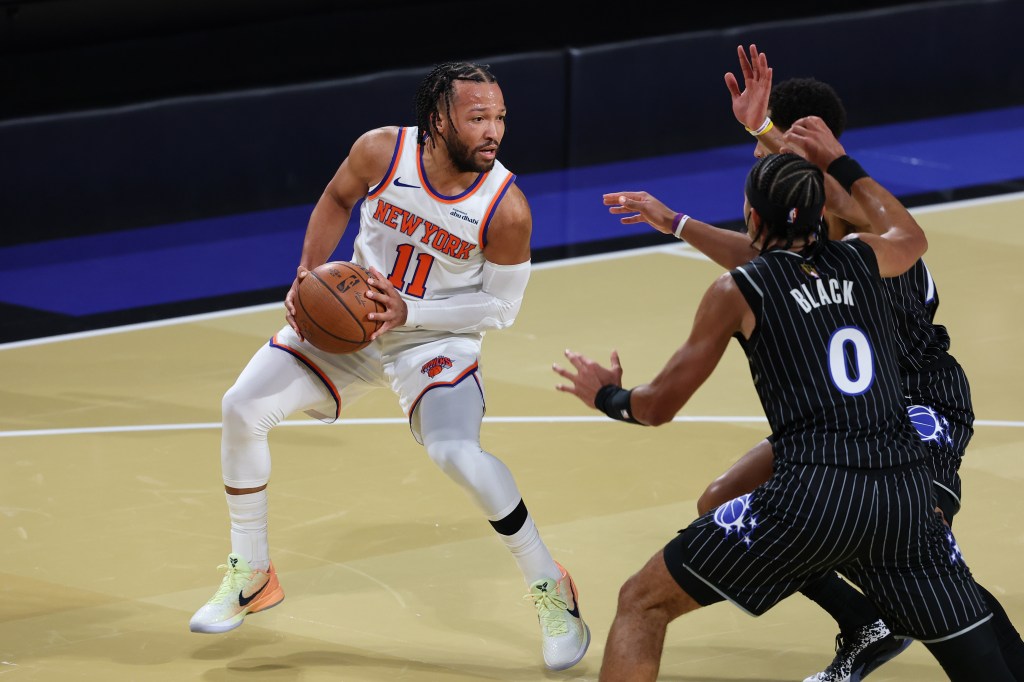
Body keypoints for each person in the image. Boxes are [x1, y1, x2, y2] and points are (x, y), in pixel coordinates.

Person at [555, 117, 1015, 681]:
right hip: (902, 496)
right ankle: (869, 623)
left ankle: (866, 619)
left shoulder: (739, 288)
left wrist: (607, 394)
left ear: (751, 216)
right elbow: (911, 237)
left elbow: (657, 407)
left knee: (641, 603)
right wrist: (842, 161)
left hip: (813, 494)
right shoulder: (865, 259)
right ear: (822, 215)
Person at [187, 61, 590, 672]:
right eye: (478, 117)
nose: (494, 131)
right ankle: (253, 574)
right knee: (241, 406)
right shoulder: (381, 151)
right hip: (350, 320)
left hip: (433, 340)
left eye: (500, 117)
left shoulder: (506, 209)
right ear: (438, 119)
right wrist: (305, 273)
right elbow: (335, 199)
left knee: (459, 455)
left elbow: (503, 308)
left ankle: (550, 588)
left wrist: (411, 312)